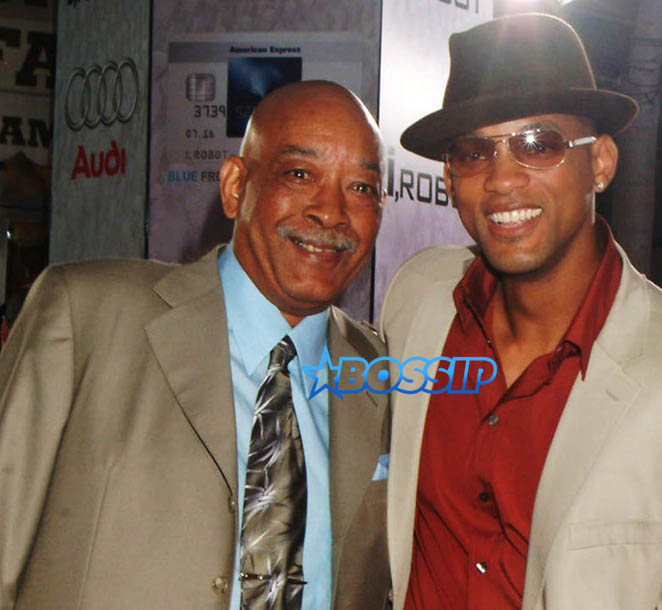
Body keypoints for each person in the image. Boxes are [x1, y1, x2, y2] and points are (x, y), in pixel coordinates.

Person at [380, 13, 662, 610]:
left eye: (538, 144)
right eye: (473, 152)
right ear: (449, 177)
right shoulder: (417, 297)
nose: (501, 179)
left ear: (600, 162)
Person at [0, 81, 391, 610]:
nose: (331, 212)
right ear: (235, 186)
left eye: (362, 189)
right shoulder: (86, 316)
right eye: (299, 174)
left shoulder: (383, 378)